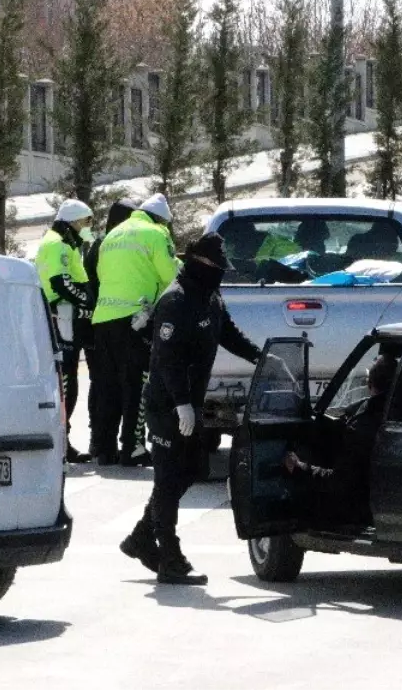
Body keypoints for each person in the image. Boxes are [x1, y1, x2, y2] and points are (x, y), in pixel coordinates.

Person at [119, 232, 262, 585]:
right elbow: (167, 360)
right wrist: (181, 404)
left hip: (191, 403)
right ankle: (170, 558)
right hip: (168, 404)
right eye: (215, 266)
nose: (220, 273)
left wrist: (260, 357)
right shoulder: (176, 301)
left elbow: (227, 333)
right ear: (199, 264)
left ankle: (140, 537)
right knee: (167, 480)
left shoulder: (210, 296)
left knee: (189, 470)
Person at [92, 193, 180, 467]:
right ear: (162, 219)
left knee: (107, 387)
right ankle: (133, 447)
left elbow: (101, 275)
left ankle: (104, 449)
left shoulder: (113, 234)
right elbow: (171, 275)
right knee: (137, 386)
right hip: (135, 319)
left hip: (103, 318)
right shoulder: (156, 233)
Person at [283, 354, 397, 527]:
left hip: (361, 511)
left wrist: (300, 468)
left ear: (369, 384)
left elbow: (340, 482)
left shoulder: (361, 426)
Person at [34, 198, 95, 464]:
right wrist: (86, 299)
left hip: (66, 318)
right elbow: (60, 282)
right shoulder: (56, 245)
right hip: (61, 318)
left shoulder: (64, 244)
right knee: (65, 382)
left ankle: (63, 440)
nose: (85, 228)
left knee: (69, 381)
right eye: (83, 223)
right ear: (71, 223)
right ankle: (61, 442)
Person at [83, 197, 141, 463]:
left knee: (103, 386)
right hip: (117, 323)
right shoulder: (118, 245)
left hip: (99, 324)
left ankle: (101, 444)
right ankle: (109, 443)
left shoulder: (100, 244)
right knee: (120, 386)